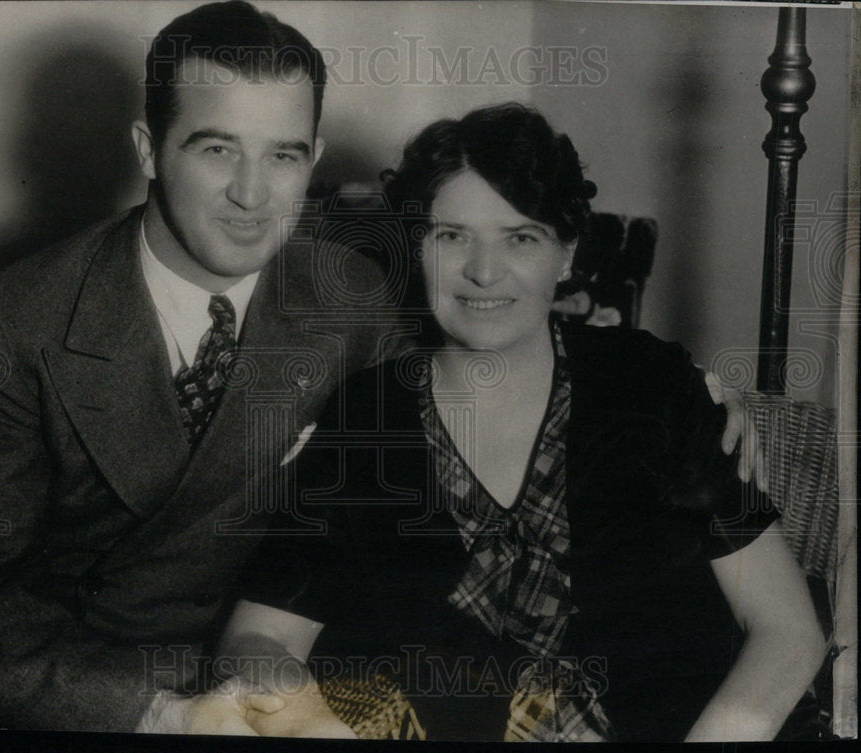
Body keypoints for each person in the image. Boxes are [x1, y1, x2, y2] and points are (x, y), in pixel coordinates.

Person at [0, 1, 757, 736]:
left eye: (282, 154)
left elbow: (455, 394)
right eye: (216, 149)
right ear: (147, 146)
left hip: (317, 672)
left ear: (312, 157)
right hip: (116, 691)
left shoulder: (344, 290)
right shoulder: (9, 326)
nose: (252, 193)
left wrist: (691, 401)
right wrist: (155, 712)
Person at [222, 103, 826, 742]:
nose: (484, 272)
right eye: (450, 235)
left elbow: (787, 631)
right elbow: (256, 637)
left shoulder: (654, 385)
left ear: (565, 254)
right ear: (416, 246)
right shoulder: (366, 414)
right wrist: (312, 724)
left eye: (521, 237)